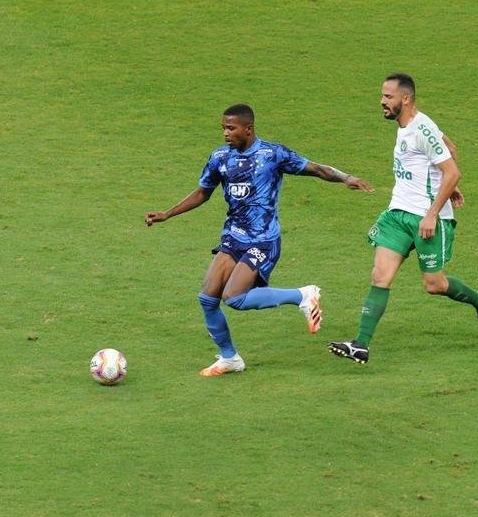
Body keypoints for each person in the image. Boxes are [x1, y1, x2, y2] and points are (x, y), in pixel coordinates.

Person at [146, 104, 373, 376]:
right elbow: (202, 192)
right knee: (207, 299)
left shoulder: (272, 154)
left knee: (234, 297)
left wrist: (346, 177)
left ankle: (303, 295)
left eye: (231, 128)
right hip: (233, 237)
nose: (225, 133)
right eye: (223, 128)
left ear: (248, 129)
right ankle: (230, 358)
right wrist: (167, 214)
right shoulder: (220, 157)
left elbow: (316, 169)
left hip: (263, 240)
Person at [329, 73, 478, 364]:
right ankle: (361, 344)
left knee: (434, 284)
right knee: (380, 275)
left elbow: (453, 168)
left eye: (388, 97)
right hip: (398, 213)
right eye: (382, 96)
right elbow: (450, 149)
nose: (382, 102)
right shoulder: (408, 124)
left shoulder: (422, 128)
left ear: (405, 99)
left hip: (427, 219)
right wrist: (444, 178)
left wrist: (434, 210)